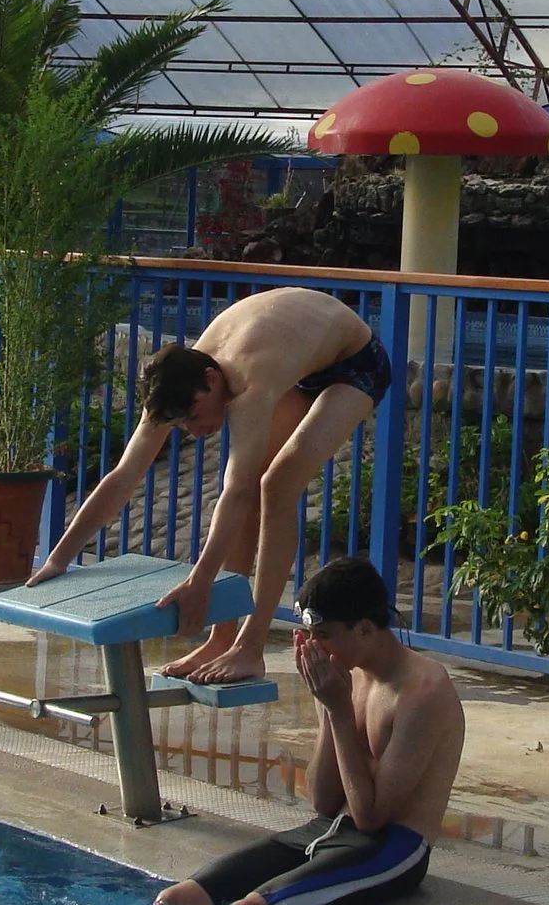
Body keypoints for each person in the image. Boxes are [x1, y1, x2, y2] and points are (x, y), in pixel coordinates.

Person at [22, 556, 463, 905]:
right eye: (308, 636)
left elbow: (372, 818)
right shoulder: (341, 673)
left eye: (323, 636)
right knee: (178, 898)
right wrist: (331, 712)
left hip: (393, 849)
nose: (313, 649)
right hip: (328, 828)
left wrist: (339, 712)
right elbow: (324, 801)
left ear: (365, 628)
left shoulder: (423, 692)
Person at [28, 286, 389, 684]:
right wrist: (58, 558)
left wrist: (200, 581)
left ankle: (251, 648)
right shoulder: (173, 383)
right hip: (301, 359)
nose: (195, 431)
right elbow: (122, 477)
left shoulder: (250, 381)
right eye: (182, 424)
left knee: (276, 484)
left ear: (212, 379)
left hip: (355, 361)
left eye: (196, 416)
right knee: (252, 491)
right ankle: (222, 638)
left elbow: (235, 491)